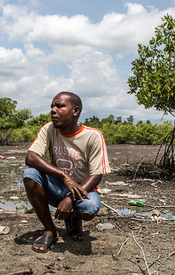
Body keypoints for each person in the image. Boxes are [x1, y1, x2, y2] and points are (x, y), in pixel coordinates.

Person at [23, 92, 110, 253]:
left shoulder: (93, 136)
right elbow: (31, 157)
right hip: (57, 186)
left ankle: (75, 219)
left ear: (75, 111)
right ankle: (50, 231)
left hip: (82, 190)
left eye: (59, 106)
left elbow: (97, 175)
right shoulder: (49, 129)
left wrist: (70, 199)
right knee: (31, 175)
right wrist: (64, 176)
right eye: (52, 106)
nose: (53, 110)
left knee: (90, 208)